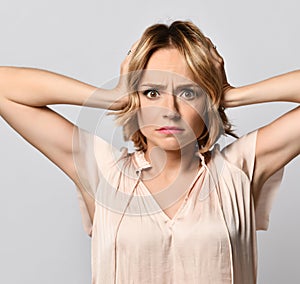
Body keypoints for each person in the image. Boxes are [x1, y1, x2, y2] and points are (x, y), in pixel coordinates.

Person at [0, 20, 299, 284]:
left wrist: (230, 94)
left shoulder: (240, 169)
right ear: (136, 99)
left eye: (188, 92)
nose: (170, 111)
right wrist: (113, 95)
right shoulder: (104, 171)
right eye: (152, 92)